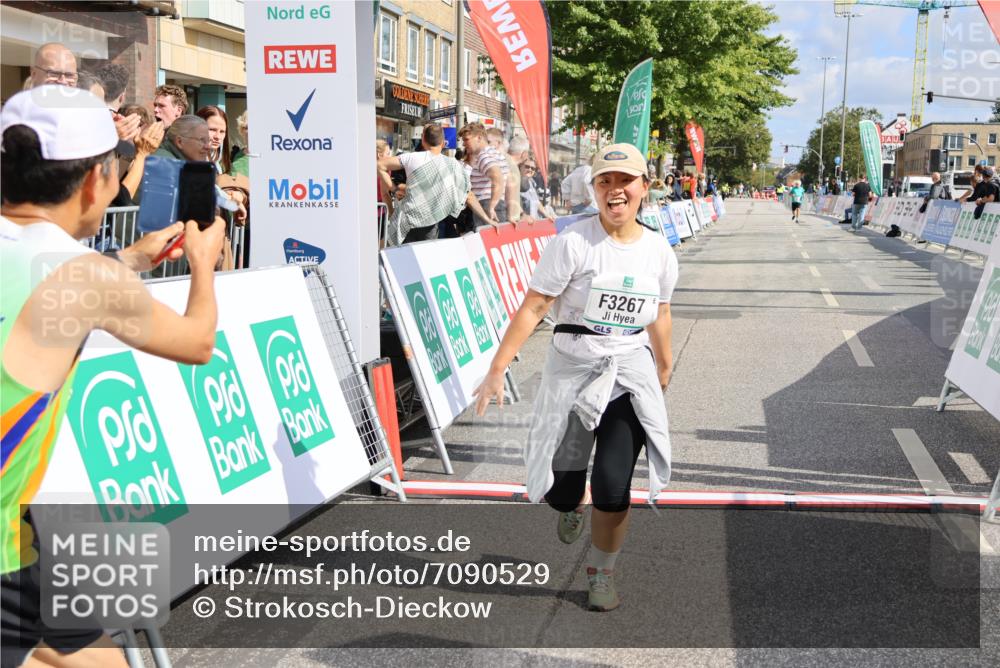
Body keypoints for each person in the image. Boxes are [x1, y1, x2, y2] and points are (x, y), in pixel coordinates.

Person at [1, 84, 224, 668]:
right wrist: (203, 264)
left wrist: (130, 260)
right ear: (98, 180)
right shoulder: (83, 278)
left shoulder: (78, 273)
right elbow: (197, 341)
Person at [474, 143, 677, 612]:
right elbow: (536, 305)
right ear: (594, 189)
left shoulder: (658, 252)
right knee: (563, 488)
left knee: (612, 486)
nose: (615, 190)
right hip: (574, 375)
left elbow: (660, 313)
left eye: (625, 181)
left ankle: (602, 572)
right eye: (605, 181)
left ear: (644, 188)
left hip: (627, 377)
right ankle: (571, 506)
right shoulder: (573, 242)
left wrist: (662, 366)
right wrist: (497, 367)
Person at [378, 123, 472, 245]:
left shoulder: (411, 157)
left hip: (408, 218)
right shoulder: (452, 165)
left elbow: (380, 165)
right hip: (431, 220)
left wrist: (395, 189)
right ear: (443, 142)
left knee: (398, 257)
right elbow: (467, 194)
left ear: (423, 140)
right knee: (425, 258)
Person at [459, 122, 508, 227]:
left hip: (486, 206)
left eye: (466, 139)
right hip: (496, 205)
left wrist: (491, 206)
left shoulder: (484, 156)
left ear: (479, 137)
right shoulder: (496, 154)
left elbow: (497, 178)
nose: (463, 144)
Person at [487, 127, 522, 222]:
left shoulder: (503, 160)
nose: (485, 145)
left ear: (498, 143)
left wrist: (511, 217)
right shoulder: (504, 159)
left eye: (488, 142)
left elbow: (511, 189)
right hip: (501, 213)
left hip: (500, 213)